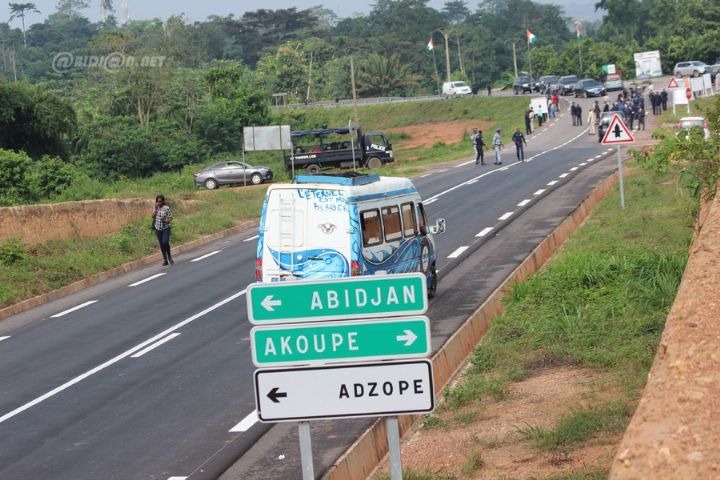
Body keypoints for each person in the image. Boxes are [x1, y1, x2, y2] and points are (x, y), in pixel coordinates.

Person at [152, 194, 174, 266]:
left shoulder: (166, 208)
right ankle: (165, 260)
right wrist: (155, 209)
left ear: (163, 201)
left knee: (165, 242)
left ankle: (169, 257)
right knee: (161, 244)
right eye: (158, 201)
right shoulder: (156, 208)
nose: (159, 203)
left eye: (160, 201)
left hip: (165, 227)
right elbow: (152, 217)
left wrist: (167, 221)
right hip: (158, 228)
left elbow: (171, 217)